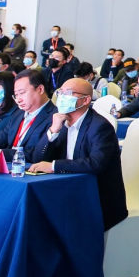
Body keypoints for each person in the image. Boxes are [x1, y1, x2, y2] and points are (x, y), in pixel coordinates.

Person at [29, 78, 128, 231]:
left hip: (96, 198)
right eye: (60, 93)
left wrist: (54, 166)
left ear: (86, 100)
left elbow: (96, 163)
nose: (62, 98)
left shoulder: (100, 126)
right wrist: (53, 131)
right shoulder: (60, 121)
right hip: (68, 189)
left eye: (68, 93)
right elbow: (38, 158)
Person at [0, 70, 55, 164]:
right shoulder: (18, 113)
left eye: (22, 93)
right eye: (16, 95)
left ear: (40, 89)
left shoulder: (54, 116)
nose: (18, 99)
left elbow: (35, 154)